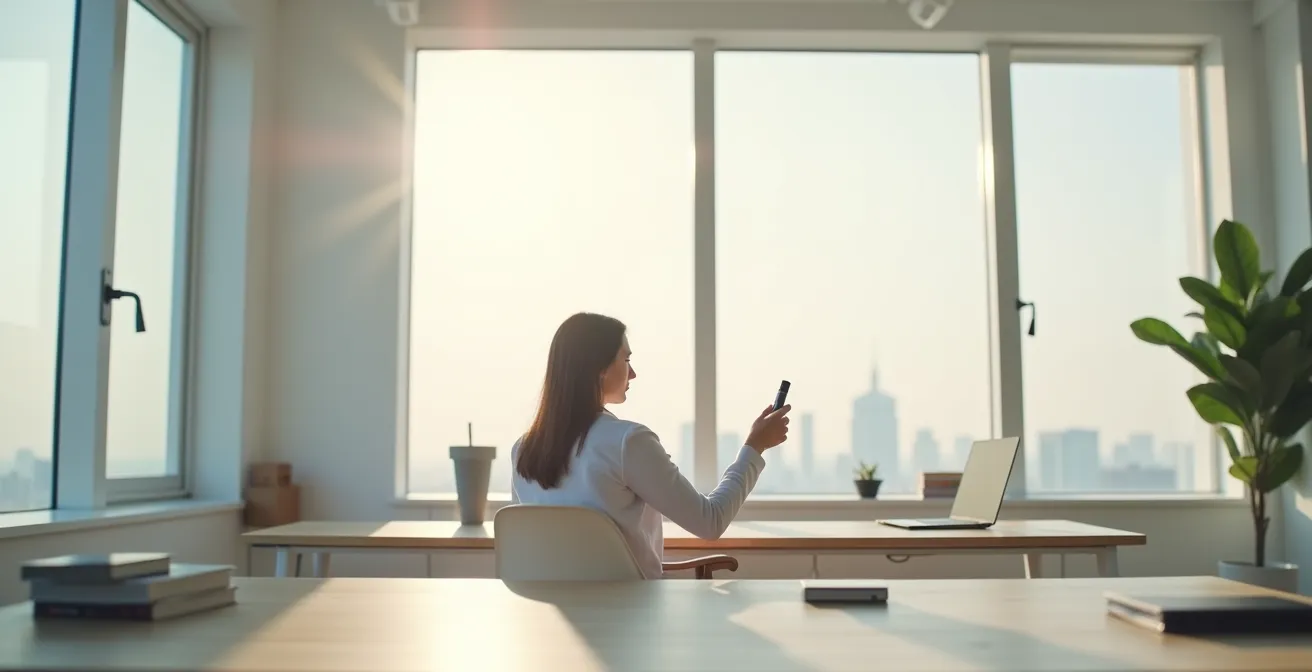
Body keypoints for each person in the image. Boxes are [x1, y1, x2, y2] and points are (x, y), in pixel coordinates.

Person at [509, 312, 791, 579]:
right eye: (626, 359)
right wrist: (755, 447)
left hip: (549, 624)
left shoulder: (522, 450)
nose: (633, 374)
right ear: (600, 368)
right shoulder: (627, 443)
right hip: (633, 620)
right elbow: (710, 521)